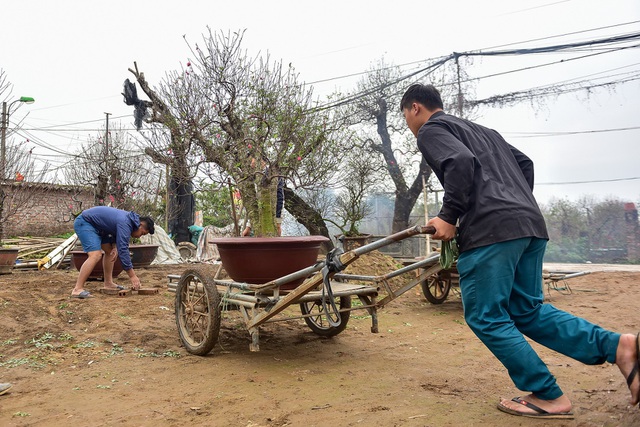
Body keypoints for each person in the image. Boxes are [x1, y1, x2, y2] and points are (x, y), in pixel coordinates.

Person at [400, 83, 639, 418]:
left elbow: (460, 161)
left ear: (415, 108)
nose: (410, 127)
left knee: (486, 316)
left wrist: (449, 215)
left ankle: (548, 394)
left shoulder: (431, 129)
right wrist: (513, 204)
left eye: (407, 118)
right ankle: (618, 346)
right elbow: (524, 163)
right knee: (526, 311)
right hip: (528, 225)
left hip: (491, 232)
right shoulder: (485, 131)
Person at [71, 206, 155, 298]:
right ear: (141, 224)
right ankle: (77, 289)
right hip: (85, 222)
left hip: (100, 227)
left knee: (111, 252)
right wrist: (132, 276)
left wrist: (114, 246)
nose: (139, 237)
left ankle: (108, 283)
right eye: (142, 233)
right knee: (95, 255)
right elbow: (123, 249)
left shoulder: (129, 220)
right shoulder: (126, 222)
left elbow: (114, 230)